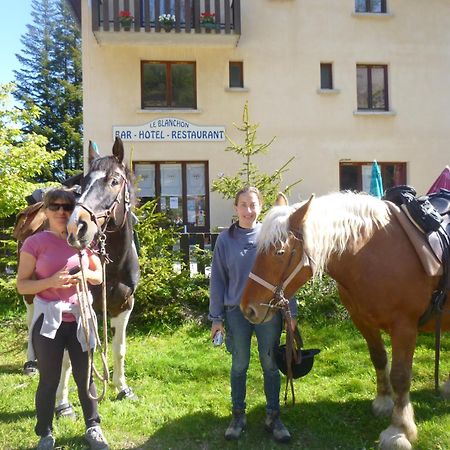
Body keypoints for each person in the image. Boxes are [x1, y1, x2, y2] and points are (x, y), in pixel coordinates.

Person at [16, 187, 109, 450]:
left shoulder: (81, 239)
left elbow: (98, 276)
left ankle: (93, 427)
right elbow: (22, 285)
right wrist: (51, 281)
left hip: (80, 319)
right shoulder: (34, 244)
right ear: (45, 211)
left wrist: (84, 277)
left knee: (86, 377)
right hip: (49, 321)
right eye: (54, 206)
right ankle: (45, 433)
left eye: (66, 207)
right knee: (49, 379)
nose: (61, 212)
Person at [209, 186, 297, 443]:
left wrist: (291, 314)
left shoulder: (271, 236)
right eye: (243, 205)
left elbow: (286, 276)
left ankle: (273, 416)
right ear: (236, 208)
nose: (248, 210)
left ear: (261, 208)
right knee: (239, 365)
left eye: (253, 205)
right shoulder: (225, 240)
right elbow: (218, 281)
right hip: (237, 312)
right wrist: (216, 319)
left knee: (270, 365)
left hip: (269, 311)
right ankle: (238, 416)